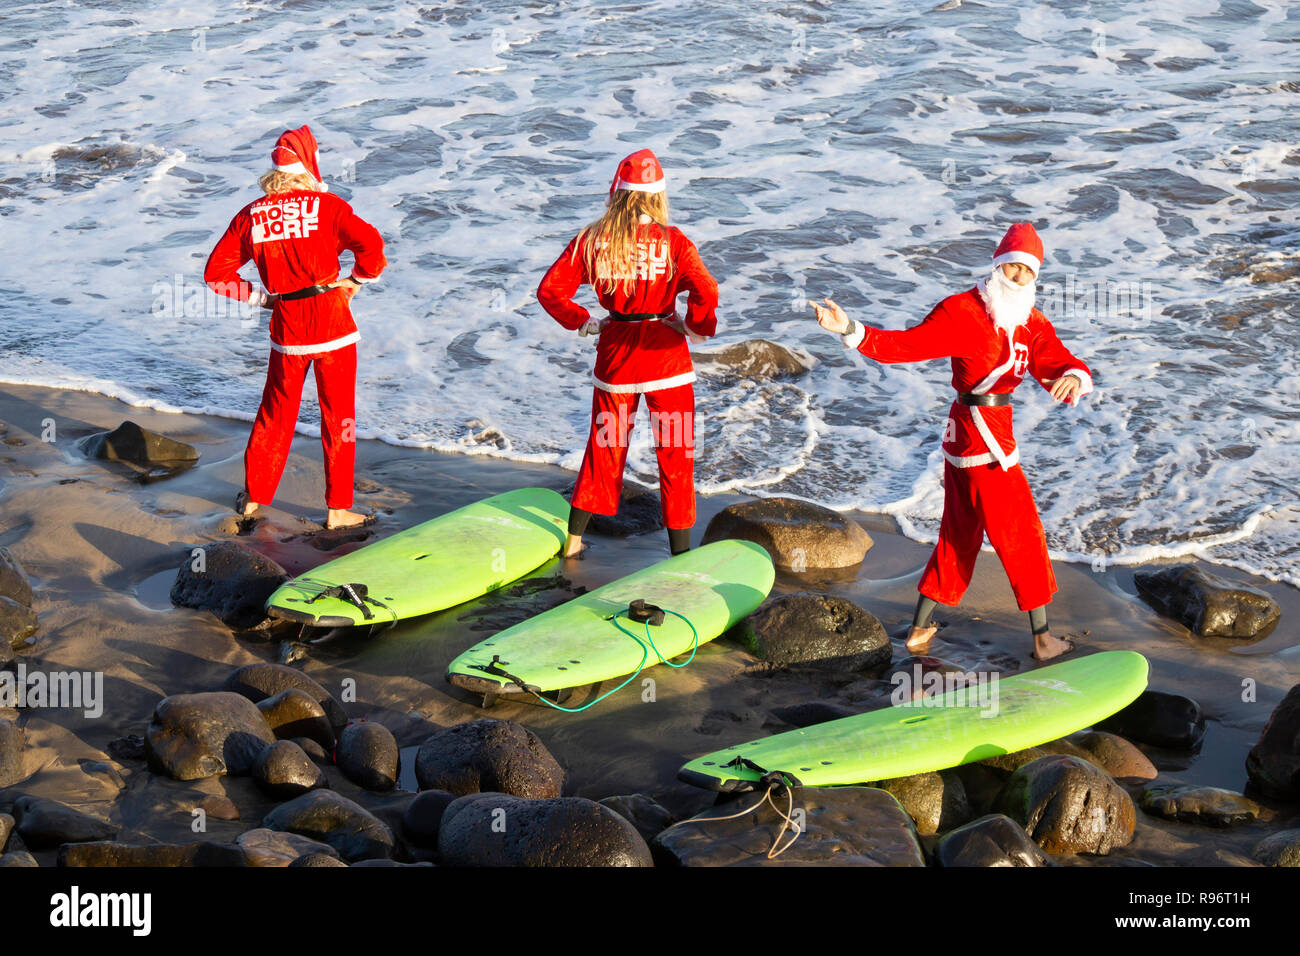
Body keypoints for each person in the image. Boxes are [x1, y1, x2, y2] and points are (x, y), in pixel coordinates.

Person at [809, 222, 1091, 661]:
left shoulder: (1031, 323)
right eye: (1012, 267)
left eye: (1027, 272)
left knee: (959, 536)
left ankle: (920, 632)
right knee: (1022, 535)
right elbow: (907, 346)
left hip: (964, 441)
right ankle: (1042, 640)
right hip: (984, 441)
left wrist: (1072, 377)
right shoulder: (962, 310)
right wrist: (852, 329)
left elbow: (1056, 360)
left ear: (1036, 277)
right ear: (998, 266)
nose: (1018, 278)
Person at [537, 148, 719, 558]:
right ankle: (681, 554)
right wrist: (694, 326)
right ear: (658, 195)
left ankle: (573, 542)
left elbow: (549, 291)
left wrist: (583, 321)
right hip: (666, 360)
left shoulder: (593, 239)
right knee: (675, 455)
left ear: (616, 192)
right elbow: (707, 289)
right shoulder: (674, 242)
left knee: (604, 449)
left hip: (616, 359)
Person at [204, 125, 387, 530]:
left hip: (288, 329)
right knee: (338, 418)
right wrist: (356, 281)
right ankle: (338, 510)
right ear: (308, 165)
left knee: (275, 413)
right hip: (333, 323)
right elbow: (372, 244)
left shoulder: (250, 215)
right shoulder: (328, 206)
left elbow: (215, 274)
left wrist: (260, 297)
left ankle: (254, 498)